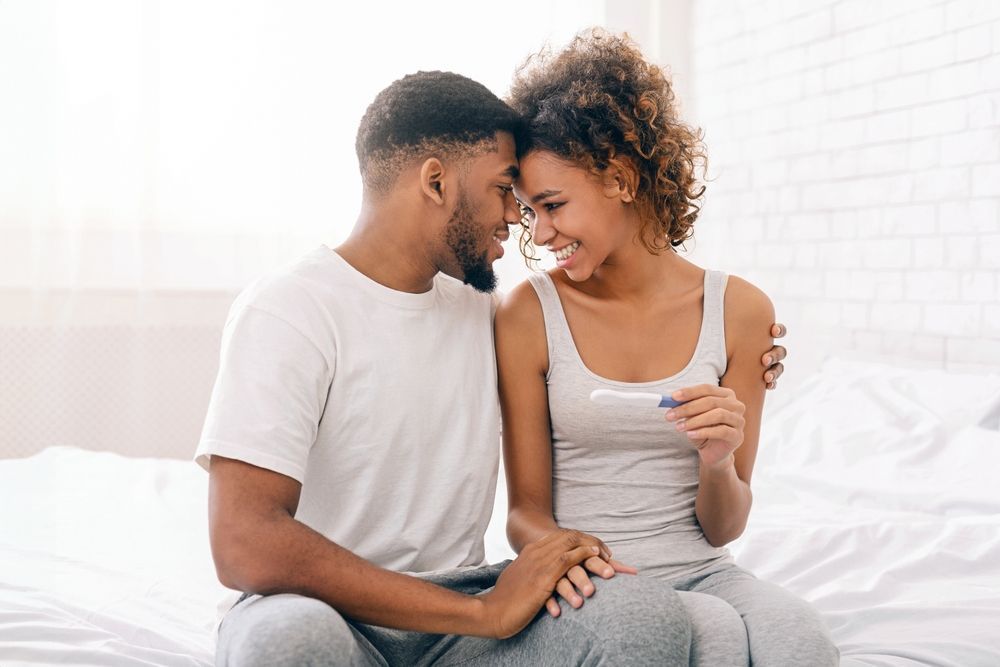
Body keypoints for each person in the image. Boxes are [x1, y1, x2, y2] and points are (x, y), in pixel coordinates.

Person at [197, 70, 787, 665]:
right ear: (435, 182)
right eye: (506, 189)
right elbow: (244, 544)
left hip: (459, 627)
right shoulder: (290, 308)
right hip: (325, 610)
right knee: (289, 642)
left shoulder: (483, 312)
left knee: (640, 615)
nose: (518, 218)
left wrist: (750, 354)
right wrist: (482, 613)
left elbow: (596, 345)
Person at [496, 30, 837, 666]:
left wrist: (718, 459)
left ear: (621, 178)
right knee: (709, 635)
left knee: (803, 645)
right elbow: (524, 517)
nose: (539, 233)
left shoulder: (741, 311)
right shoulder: (528, 314)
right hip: (594, 579)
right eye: (527, 210)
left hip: (708, 570)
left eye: (552, 205)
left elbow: (725, 527)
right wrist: (576, 557)